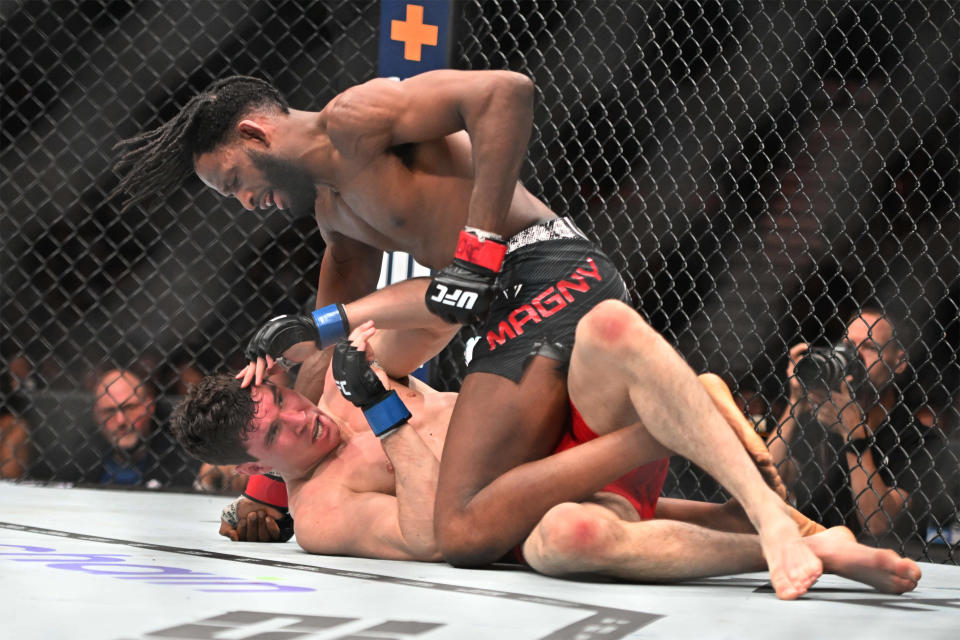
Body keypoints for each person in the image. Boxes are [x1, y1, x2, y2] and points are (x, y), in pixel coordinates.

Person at [114, 71, 819, 596]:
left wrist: (479, 243)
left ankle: (676, 426)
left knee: (461, 527)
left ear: (255, 135)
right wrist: (271, 487)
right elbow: (323, 359)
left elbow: (505, 93)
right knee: (386, 373)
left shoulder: (359, 117)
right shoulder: (335, 215)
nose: (244, 203)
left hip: (543, 270)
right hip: (494, 311)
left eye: (234, 180)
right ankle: (763, 522)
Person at [172, 309, 920, 596]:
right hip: (558, 502)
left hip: (566, 427)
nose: (301, 422)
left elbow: (446, 301)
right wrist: (387, 409)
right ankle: (795, 539)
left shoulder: (338, 377)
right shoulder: (326, 513)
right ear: (253, 467)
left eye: (289, 405)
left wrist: (338, 323)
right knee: (568, 538)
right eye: (274, 435)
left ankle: (765, 512)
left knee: (607, 326)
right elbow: (441, 536)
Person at [767, 307, 945, 538]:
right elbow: (765, 485)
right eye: (849, 345)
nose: (855, 356)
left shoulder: (919, 439)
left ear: (899, 362)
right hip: (812, 558)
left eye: (869, 347)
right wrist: (796, 401)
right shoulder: (819, 419)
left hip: (883, 565)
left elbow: (878, 524)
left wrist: (853, 434)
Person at [89, 369, 197, 487]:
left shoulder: (183, 462)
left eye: (129, 408)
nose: (120, 421)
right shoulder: (79, 462)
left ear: (149, 407)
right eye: (109, 411)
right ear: (96, 414)